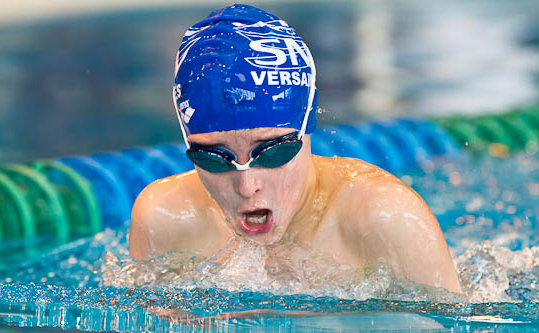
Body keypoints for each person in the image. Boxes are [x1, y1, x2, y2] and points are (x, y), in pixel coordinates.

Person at [129, 4, 462, 294]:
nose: (247, 185)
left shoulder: (386, 218)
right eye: (214, 159)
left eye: (272, 152)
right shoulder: (166, 218)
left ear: (306, 129)